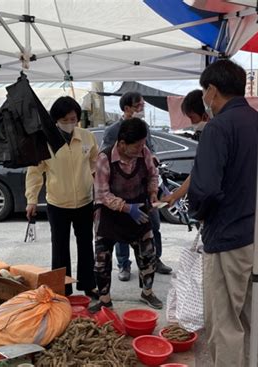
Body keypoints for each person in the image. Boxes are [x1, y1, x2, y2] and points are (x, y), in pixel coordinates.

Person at [188, 59, 258, 366]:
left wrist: (199, 213)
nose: (205, 99)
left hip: (230, 239)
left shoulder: (218, 127)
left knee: (226, 324)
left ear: (213, 90)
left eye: (205, 92)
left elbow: (204, 189)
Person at [25, 96, 98, 298]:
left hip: (84, 201)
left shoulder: (87, 137)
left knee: (86, 244)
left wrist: (97, 185)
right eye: (64, 120)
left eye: (73, 119)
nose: (69, 123)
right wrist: (31, 199)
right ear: (55, 120)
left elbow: (95, 162)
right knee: (60, 247)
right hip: (57, 203)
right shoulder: (46, 140)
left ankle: (88, 284)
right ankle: (62, 288)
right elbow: (34, 172)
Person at [90, 118, 163, 312]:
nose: (141, 149)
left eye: (142, 144)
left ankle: (147, 292)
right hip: (109, 215)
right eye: (136, 145)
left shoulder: (144, 153)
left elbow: (153, 174)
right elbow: (102, 194)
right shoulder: (104, 158)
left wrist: (153, 192)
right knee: (101, 259)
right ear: (122, 144)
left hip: (139, 210)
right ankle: (105, 298)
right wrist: (126, 208)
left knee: (148, 255)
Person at [101, 91, 172, 280]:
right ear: (127, 109)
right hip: (119, 192)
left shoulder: (144, 128)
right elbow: (105, 160)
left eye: (142, 106)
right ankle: (124, 264)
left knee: (152, 226)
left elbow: (150, 154)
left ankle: (154, 260)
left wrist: (152, 190)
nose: (142, 109)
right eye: (138, 106)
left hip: (141, 189)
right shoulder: (112, 132)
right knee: (121, 231)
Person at [161, 90, 208, 207]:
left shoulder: (212, 136)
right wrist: (175, 196)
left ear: (205, 115)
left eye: (192, 117)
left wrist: (175, 196)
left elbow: (198, 172)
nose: (192, 123)